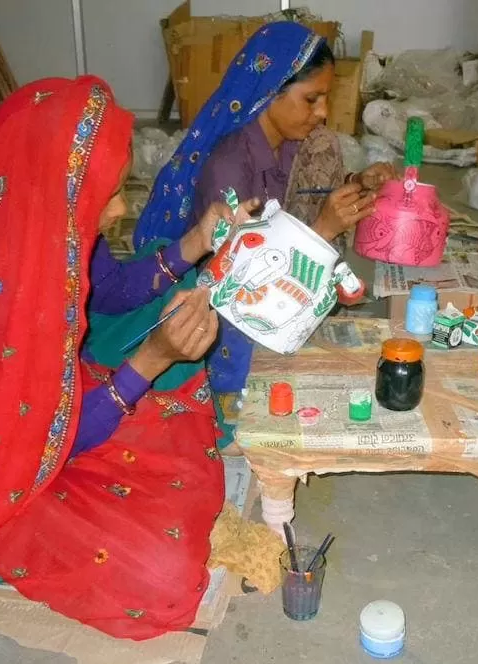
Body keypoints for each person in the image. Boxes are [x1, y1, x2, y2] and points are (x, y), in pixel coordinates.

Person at [0, 76, 254, 641]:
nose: (118, 210)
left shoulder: (43, 217)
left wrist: (197, 241)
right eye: (110, 193)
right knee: (158, 578)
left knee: (176, 409)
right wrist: (149, 362)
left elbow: (105, 291)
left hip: (28, 415)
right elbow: (44, 440)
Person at [133, 22, 396, 446]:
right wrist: (323, 229)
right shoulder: (228, 168)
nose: (323, 111)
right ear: (269, 92)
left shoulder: (294, 141)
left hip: (271, 280)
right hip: (224, 302)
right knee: (263, 378)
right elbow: (240, 281)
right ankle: (229, 398)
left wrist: (358, 184)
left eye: (325, 97)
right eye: (311, 99)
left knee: (327, 146)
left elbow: (301, 198)